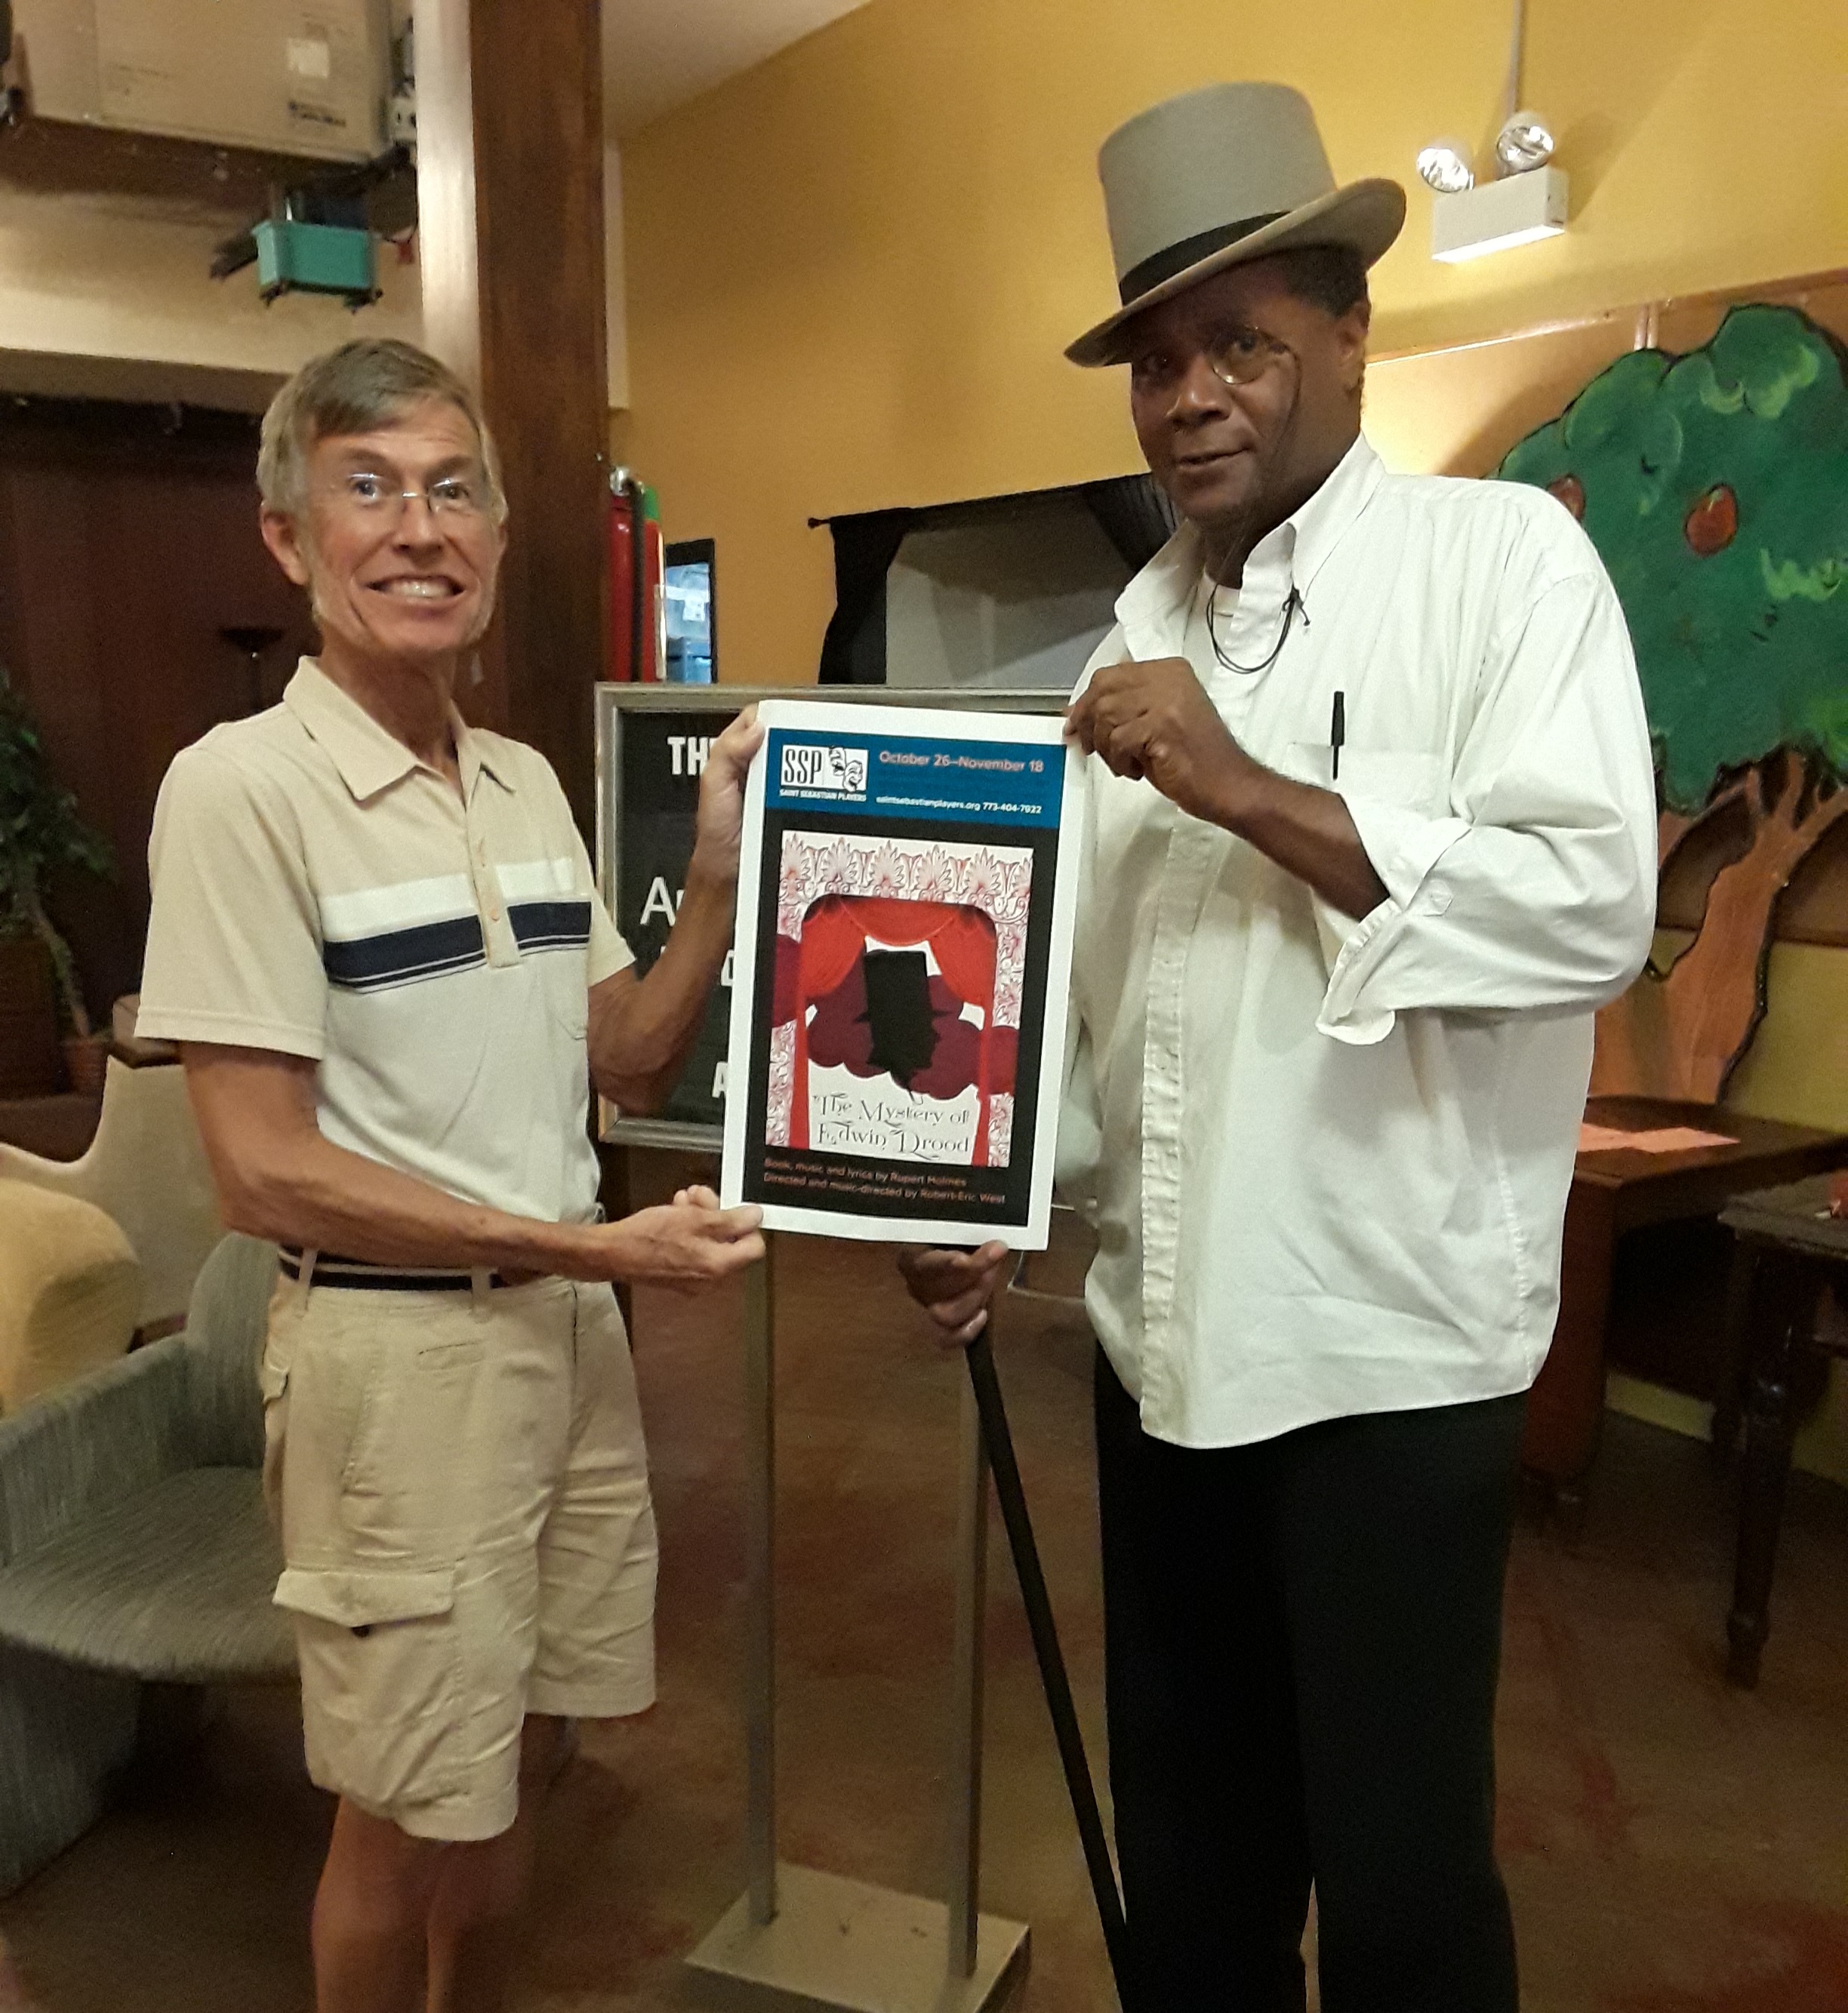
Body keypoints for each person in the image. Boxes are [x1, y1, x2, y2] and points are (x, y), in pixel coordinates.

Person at [900, 82, 1658, 2011]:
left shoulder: (1502, 570)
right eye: (1157, 363)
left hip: (1386, 1361)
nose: (1192, 398)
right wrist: (988, 1191)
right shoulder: (1120, 648)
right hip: (1162, 1353)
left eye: (1239, 341)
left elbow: (1589, 907)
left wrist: (1241, 782)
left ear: (1351, 331)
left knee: (1401, 1898)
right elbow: (1109, 1019)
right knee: (1200, 1884)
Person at [136, 337, 765, 2013]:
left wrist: (712, 882)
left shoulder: (524, 782)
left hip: (560, 1345)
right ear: (290, 538)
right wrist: (591, 1248)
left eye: (452, 488)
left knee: (515, 1765)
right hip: (397, 1369)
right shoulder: (242, 792)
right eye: (369, 488)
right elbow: (262, 1173)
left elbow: (625, 1057)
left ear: (494, 531)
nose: (420, 529)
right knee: (398, 1815)